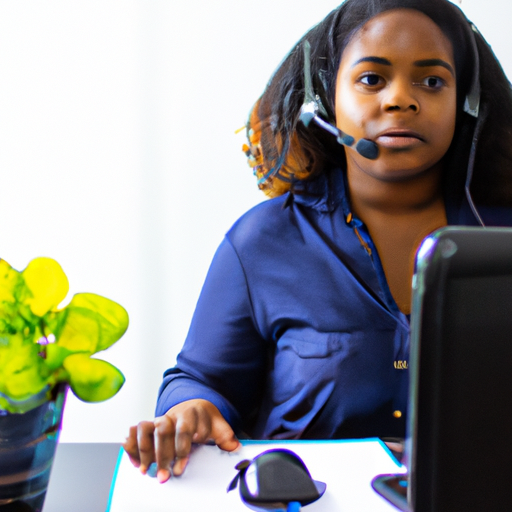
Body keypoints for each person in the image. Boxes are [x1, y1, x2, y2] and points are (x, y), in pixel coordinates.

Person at [124, 0, 512, 483]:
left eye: (431, 82)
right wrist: (191, 409)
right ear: (324, 99)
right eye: (372, 79)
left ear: (466, 101)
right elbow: (200, 380)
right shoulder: (263, 241)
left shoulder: (503, 240)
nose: (401, 100)